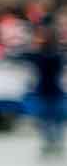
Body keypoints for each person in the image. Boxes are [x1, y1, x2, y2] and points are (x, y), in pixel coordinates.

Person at [15, 14, 66, 157]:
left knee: (47, 118)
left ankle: (50, 141)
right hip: (53, 90)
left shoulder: (40, 55)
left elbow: (22, 56)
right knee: (54, 118)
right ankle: (53, 141)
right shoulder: (57, 55)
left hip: (46, 89)